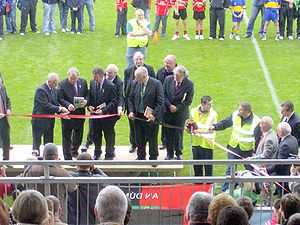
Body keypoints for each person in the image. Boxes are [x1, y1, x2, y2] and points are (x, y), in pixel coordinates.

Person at [210, 102, 260, 191]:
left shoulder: (256, 121)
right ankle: (225, 192)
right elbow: (225, 123)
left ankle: (256, 190)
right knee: (230, 171)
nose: (239, 111)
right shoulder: (235, 115)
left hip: (247, 151)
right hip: (233, 148)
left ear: (247, 111)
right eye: (239, 109)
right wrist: (215, 127)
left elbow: (258, 139)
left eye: (241, 109)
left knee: (251, 172)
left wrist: (255, 153)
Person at [23, 143, 77, 221]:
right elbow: (73, 188)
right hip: (56, 216)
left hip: (35, 213)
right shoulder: (63, 173)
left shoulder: (31, 169)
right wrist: (61, 168)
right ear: (57, 157)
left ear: (42, 156)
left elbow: (23, 183)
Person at [128, 66, 164, 161]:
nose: (136, 79)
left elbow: (160, 102)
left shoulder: (156, 84)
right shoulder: (135, 83)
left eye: (138, 77)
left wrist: (153, 115)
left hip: (151, 117)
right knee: (139, 137)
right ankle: (141, 156)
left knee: (152, 138)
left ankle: (153, 157)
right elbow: (130, 98)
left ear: (144, 76)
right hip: (138, 116)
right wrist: (131, 111)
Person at [124, 51, 155, 153]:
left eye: (140, 59)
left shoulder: (149, 69)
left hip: (147, 105)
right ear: (133, 60)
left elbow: (154, 86)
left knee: (148, 128)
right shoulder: (128, 70)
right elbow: (126, 87)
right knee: (133, 126)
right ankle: (134, 144)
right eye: (136, 59)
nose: (139, 61)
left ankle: (146, 147)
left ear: (144, 59)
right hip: (132, 103)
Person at [32, 73, 69, 155]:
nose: (56, 84)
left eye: (57, 82)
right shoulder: (41, 90)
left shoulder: (54, 90)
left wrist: (62, 113)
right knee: (37, 142)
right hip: (39, 121)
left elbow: (54, 103)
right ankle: (35, 159)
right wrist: (60, 109)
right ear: (49, 81)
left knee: (49, 141)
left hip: (50, 121)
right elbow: (46, 105)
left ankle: (48, 157)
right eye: (55, 83)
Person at [163, 65, 194, 160]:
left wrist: (177, 108)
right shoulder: (168, 79)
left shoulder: (189, 84)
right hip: (168, 112)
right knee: (168, 134)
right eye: (175, 74)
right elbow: (163, 94)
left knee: (178, 134)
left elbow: (188, 101)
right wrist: (169, 105)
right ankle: (169, 153)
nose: (176, 77)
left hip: (180, 114)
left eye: (178, 75)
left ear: (184, 75)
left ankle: (179, 153)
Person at [58, 67, 88, 160]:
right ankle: (67, 157)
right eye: (71, 79)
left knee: (79, 134)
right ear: (68, 76)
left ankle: (74, 150)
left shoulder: (83, 82)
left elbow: (87, 94)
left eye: (74, 79)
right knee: (66, 137)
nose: (73, 81)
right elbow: (60, 98)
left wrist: (86, 101)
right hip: (68, 115)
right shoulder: (62, 84)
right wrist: (68, 105)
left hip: (80, 114)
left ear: (78, 77)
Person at [68, 152, 107, 225]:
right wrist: (95, 169)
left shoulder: (70, 177)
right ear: (91, 166)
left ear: (77, 165)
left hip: (73, 221)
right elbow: (109, 180)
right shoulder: (98, 179)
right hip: (92, 221)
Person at [88, 66, 118, 160]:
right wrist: (89, 106)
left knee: (108, 135)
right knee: (96, 134)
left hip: (107, 116)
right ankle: (97, 153)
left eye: (96, 77)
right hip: (95, 116)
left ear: (101, 76)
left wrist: (103, 111)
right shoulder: (92, 83)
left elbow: (113, 101)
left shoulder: (110, 86)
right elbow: (90, 96)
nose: (94, 78)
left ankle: (109, 154)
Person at [266, 122, 298, 197]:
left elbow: (279, 163)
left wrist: (267, 170)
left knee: (283, 198)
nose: (276, 132)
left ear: (281, 132)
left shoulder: (285, 144)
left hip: (282, 177)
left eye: (277, 130)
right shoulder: (293, 139)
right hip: (288, 174)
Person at [187, 95, 217, 176]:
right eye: (209, 104)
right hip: (196, 143)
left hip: (207, 143)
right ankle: (198, 185)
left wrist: (196, 129)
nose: (211, 106)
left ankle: (209, 186)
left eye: (211, 104)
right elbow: (190, 122)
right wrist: (189, 128)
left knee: (208, 167)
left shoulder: (213, 114)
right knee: (197, 167)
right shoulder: (193, 111)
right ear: (202, 104)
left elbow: (209, 129)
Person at [156, 54, 177, 150]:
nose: (166, 65)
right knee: (164, 124)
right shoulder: (160, 72)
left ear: (174, 64)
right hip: (162, 102)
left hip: (174, 105)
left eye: (168, 63)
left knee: (175, 128)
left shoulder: (179, 72)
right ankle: (164, 143)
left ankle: (174, 146)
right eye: (165, 62)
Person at [106, 64, 125, 149]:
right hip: (101, 108)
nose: (108, 74)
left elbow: (120, 96)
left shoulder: (119, 83)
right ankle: (89, 141)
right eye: (107, 72)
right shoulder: (104, 77)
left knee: (109, 129)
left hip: (113, 110)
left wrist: (120, 107)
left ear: (115, 74)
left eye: (110, 73)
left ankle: (111, 148)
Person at [0, 73, 11, 160]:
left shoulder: (2, 88)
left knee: (6, 140)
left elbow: (7, 100)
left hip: (4, 119)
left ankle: (6, 161)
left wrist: (8, 109)